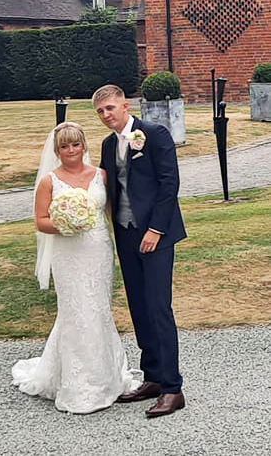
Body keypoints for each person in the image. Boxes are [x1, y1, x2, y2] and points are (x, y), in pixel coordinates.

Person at [11, 121, 137, 414]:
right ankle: (77, 384)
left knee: (98, 310)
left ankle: (106, 379)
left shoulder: (101, 176)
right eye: (64, 146)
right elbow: (40, 220)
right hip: (68, 253)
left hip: (98, 250)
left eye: (75, 144)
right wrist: (65, 224)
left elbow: (110, 213)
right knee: (75, 311)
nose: (71, 150)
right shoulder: (49, 182)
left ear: (84, 145)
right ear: (57, 150)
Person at [93, 84, 186, 418]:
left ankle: (174, 388)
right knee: (139, 307)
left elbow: (169, 184)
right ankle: (153, 377)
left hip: (156, 235)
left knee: (159, 307)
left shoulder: (154, 134)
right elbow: (107, 186)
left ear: (125, 105)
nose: (107, 115)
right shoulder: (107, 145)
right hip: (126, 234)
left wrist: (156, 230)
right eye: (101, 112)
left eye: (110, 108)